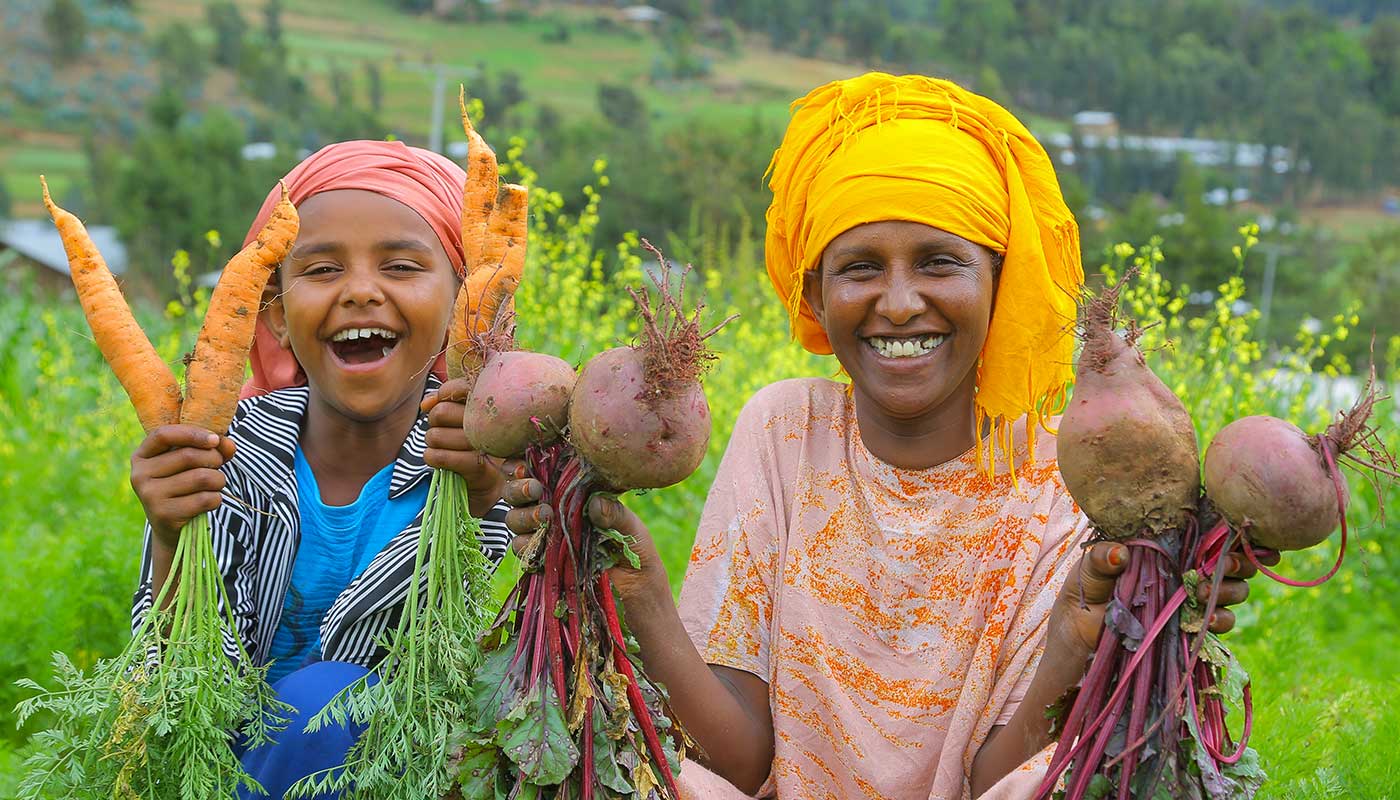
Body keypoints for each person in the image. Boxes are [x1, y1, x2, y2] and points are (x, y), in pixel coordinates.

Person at [502, 73, 1277, 799]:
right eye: (860, 267)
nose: (899, 303)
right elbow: (736, 761)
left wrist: (1077, 637)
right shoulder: (785, 428)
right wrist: (641, 595)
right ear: (815, 290)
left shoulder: (1067, 471)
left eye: (940, 262)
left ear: (1000, 283)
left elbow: (995, 784)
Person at [127, 140, 513, 797]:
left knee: (331, 696)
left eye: (400, 265)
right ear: (274, 315)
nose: (361, 291)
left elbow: (500, 681)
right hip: (232, 771)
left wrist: (479, 507)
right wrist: (171, 540)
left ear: (463, 306)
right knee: (313, 704)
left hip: (430, 776)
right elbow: (177, 694)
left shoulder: (495, 464)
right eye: (322, 270)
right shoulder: (230, 458)